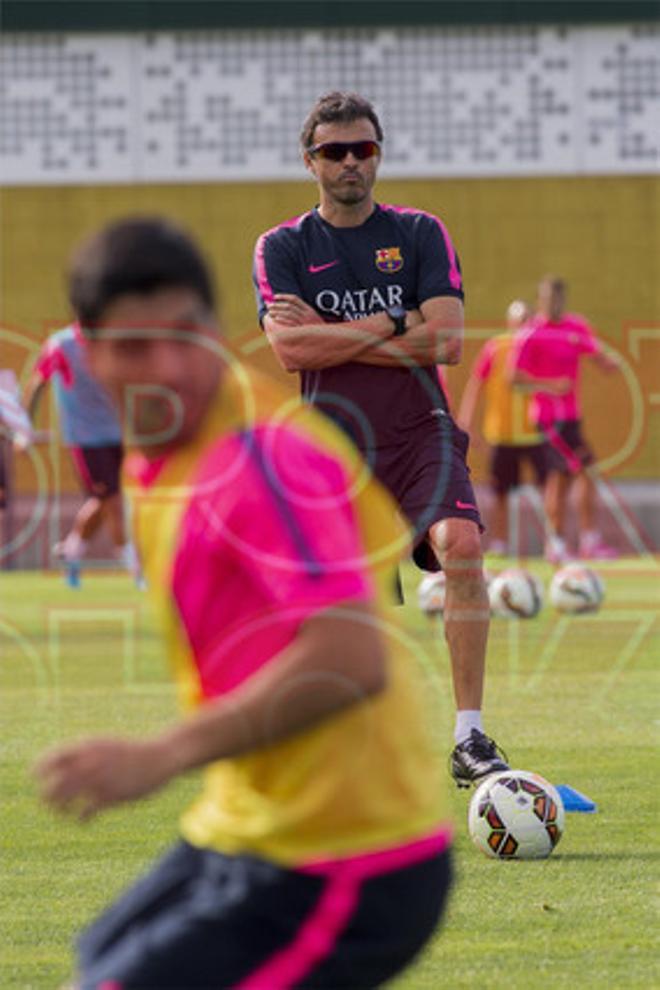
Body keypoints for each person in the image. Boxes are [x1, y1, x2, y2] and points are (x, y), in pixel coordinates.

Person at [35, 217, 454, 989]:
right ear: (87, 355)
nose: (167, 367)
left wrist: (160, 755)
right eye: (133, 347)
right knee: (98, 959)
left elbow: (349, 656)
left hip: (349, 859)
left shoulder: (263, 457)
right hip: (245, 829)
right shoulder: (158, 451)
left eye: (185, 334)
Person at [253, 90, 508, 786]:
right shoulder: (283, 247)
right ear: (310, 162)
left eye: (362, 149)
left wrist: (331, 335)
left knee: (462, 545)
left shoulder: (421, 232)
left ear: (378, 155)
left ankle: (470, 737)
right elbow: (291, 353)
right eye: (334, 152)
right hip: (333, 445)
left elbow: (448, 341)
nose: (349, 163)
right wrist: (396, 324)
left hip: (420, 429)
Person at [21, 324, 141, 586]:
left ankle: (71, 550)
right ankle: (136, 569)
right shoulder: (61, 345)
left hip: (115, 432)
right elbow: (38, 382)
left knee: (104, 499)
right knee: (113, 500)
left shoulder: (112, 340)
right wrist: (25, 427)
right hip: (84, 438)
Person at [511, 275, 620, 563]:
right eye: (547, 298)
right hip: (548, 419)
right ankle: (571, 542)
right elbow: (514, 378)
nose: (553, 303)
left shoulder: (575, 326)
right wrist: (549, 386)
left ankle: (569, 543)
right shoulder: (531, 333)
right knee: (572, 474)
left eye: (558, 298)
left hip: (572, 417)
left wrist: (610, 363)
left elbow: (596, 354)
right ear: (540, 300)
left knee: (568, 477)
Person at [457, 300, 549, 555]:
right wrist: (466, 422)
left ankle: (554, 540)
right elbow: (477, 383)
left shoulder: (540, 347)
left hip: (534, 431)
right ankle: (500, 541)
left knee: (547, 487)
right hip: (503, 433)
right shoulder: (496, 347)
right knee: (500, 491)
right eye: (519, 321)